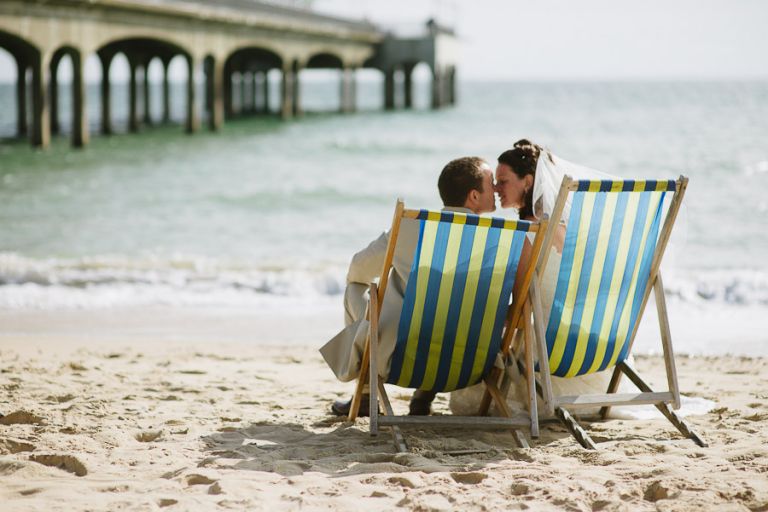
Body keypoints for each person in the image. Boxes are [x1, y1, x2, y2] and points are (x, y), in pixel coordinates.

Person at [450, 139, 622, 417]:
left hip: (550, 356)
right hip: (592, 354)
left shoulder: (526, 233)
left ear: (528, 182)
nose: (496, 188)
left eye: (503, 181)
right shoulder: (568, 228)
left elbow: (520, 309)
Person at [321, 156, 497, 417]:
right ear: (474, 196)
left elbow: (358, 268)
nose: (496, 188)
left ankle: (366, 394)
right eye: (492, 183)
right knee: (449, 312)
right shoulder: (501, 238)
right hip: (471, 362)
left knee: (355, 288)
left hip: (401, 359)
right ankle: (423, 395)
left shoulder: (410, 226)